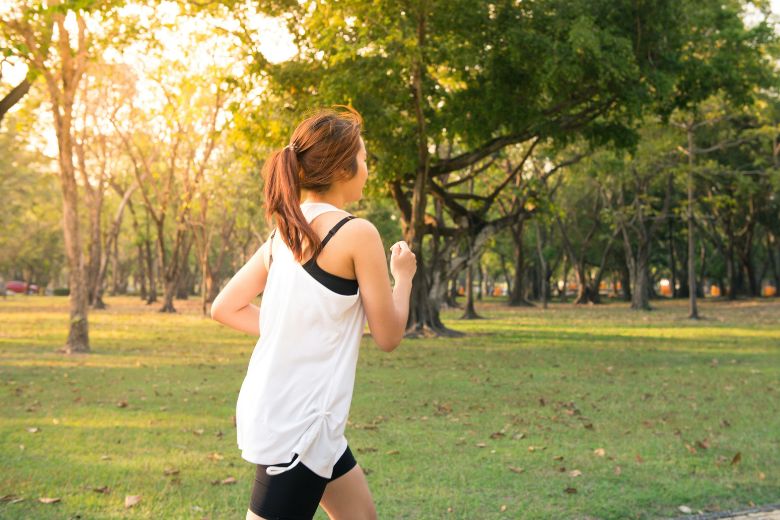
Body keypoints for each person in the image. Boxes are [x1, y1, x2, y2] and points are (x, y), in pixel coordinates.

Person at [210, 106, 416, 520]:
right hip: (298, 426)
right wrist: (404, 276)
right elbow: (389, 335)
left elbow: (224, 307)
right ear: (343, 168)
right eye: (363, 159)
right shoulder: (357, 233)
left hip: (306, 419)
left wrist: (294, 331)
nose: (367, 169)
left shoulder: (284, 232)